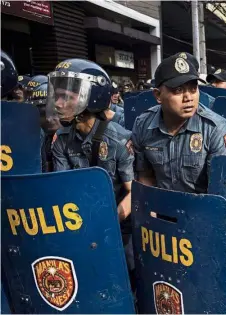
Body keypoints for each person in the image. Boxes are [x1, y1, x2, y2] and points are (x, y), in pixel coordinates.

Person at [47, 59, 135, 280]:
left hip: (118, 226)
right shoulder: (61, 140)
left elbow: (134, 192)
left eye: (67, 96)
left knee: (128, 273)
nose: (58, 103)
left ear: (92, 97)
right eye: (56, 96)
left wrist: (109, 220)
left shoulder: (117, 139)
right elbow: (63, 186)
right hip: (78, 221)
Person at [132, 53, 226, 194]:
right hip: (159, 208)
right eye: (178, 90)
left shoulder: (215, 128)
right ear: (158, 95)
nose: (188, 97)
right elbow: (145, 176)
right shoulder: (143, 124)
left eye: (193, 89)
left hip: (202, 210)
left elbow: (222, 189)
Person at [26, 75, 61, 172]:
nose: (49, 119)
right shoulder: (33, 137)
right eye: (42, 114)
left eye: (54, 113)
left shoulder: (73, 134)